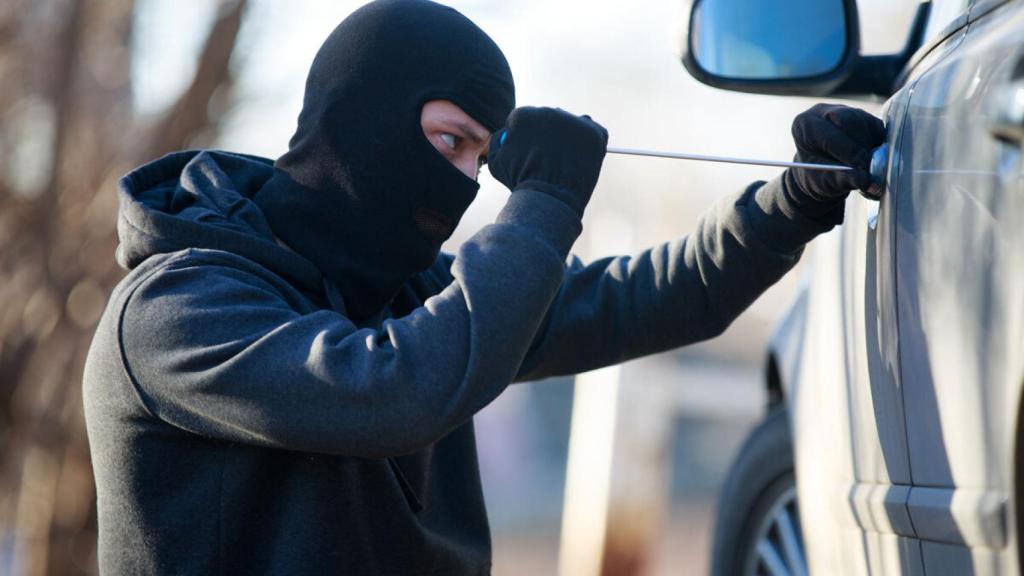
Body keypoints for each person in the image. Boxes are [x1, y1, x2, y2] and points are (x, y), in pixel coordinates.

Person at [82, 0, 884, 573]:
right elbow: (392, 390)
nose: (465, 182)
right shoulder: (175, 310)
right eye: (448, 141)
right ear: (362, 119)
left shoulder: (409, 292)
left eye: (479, 156)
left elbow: (637, 299)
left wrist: (791, 202)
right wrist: (541, 208)